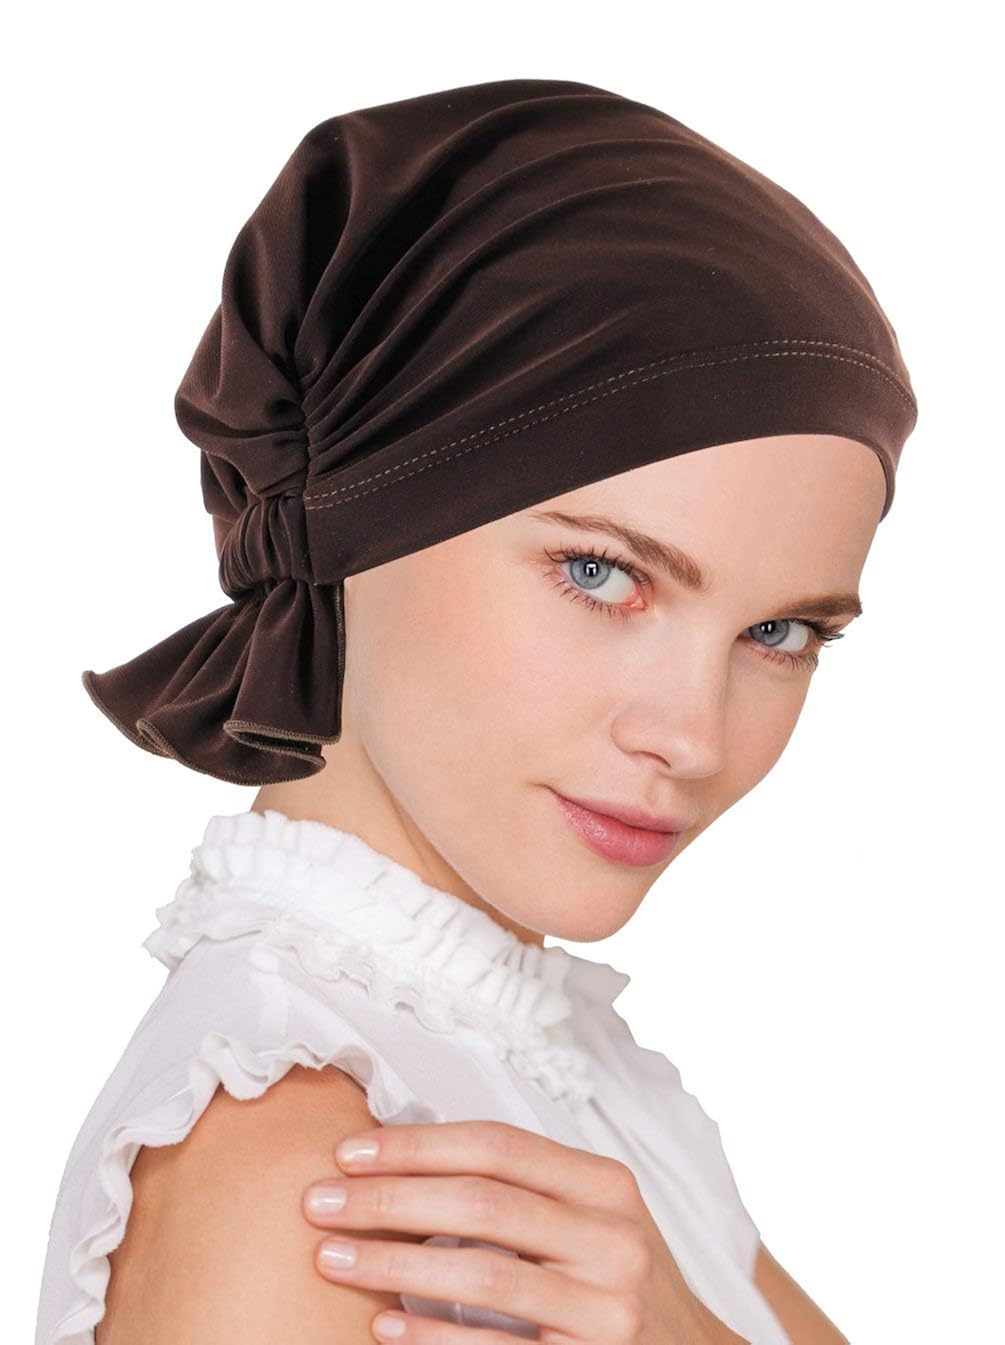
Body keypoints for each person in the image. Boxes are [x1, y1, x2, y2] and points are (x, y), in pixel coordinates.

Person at [35, 79, 918, 1344]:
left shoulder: (560, 1070)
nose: (694, 737)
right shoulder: (305, 1171)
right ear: (360, 514)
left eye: (781, 634)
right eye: (602, 573)